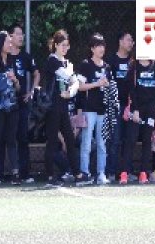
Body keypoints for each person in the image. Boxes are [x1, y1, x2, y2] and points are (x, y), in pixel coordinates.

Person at [43, 30, 81, 187]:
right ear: (56, 45)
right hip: (52, 107)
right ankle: (50, 176)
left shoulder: (68, 63)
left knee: (70, 140)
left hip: (63, 107)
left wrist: (70, 93)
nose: (65, 48)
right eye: (62, 45)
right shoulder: (52, 60)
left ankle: (78, 174)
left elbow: (76, 84)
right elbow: (68, 76)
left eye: (67, 45)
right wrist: (73, 80)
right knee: (52, 142)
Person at [0, 31, 21, 186]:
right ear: (1, 44)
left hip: (12, 106)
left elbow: (18, 87)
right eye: (8, 42)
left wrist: (15, 80)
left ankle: (15, 173)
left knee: (12, 139)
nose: (10, 44)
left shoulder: (12, 61)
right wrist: (3, 79)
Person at [119, 59, 155, 185]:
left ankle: (143, 173)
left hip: (150, 110)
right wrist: (135, 109)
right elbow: (131, 90)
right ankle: (124, 173)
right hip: (136, 109)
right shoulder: (134, 66)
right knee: (131, 139)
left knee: (147, 140)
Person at [77, 33, 110, 185]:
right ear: (92, 48)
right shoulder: (85, 64)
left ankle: (101, 173)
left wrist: (107, 85)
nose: (101, 48)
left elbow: (110, 86)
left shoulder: (107, 66)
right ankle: (85, 172)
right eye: (98, 46)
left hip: (103, 110)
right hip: (89, 109)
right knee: (86, 143)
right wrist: (97, 84)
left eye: (103, 45)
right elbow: (80, 86)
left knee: (102, 143)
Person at [8, 23, 40, 184]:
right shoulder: (4, 55)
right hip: (6, 104)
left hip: (22, 103)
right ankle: (3, 173)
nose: (21, 37)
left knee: (22, 137)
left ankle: (24, 173)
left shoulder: (25, 56)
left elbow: (37, 74)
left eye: (22, 34)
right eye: (18, 34)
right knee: (7, 137)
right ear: (10, 36)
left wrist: (32, 91)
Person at [106, 32, 134, 182]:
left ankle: (127, 172)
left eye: (132, 41)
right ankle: (111, 172)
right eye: (129, 40)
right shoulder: (111, 60)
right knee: (115, 140)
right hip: (115, 106)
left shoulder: (133, 61)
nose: (131, 43)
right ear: (120, 41)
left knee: (129, 140)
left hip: (130, 106)